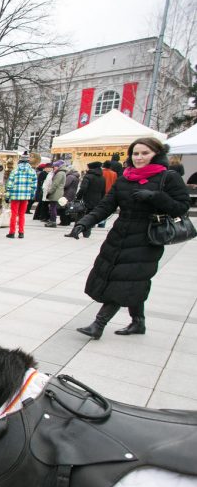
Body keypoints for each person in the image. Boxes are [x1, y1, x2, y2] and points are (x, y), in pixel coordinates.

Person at [68, 137, 190, 339]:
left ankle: (98, 324)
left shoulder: (168, 177)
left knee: (125, 280)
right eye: (136, 153)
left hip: (147, 236)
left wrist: (155, 196)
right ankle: (138, 322)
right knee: (131, 279)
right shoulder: (125, 178)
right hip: (120, 232)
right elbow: (106, 206)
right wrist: (83, 223)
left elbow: (182, 206)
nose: (139, 157)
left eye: (145, 153)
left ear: (156, 154)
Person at [4, 153, 36, 239]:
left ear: (20, 161)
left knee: (14, 214)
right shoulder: (32, 171)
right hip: (25, 196)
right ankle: (21, 232)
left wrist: (7, 196)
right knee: (22, 214)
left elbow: (9, 184)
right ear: (28, 161)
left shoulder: (15, 171)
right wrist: (31, 195)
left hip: (15, 195)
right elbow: (34, 186)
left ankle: (12, 232)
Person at [76, 161, 106, 229]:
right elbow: (103, 191)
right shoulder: (102, 178)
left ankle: (77, 230)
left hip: (87, 199)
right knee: (91, 215)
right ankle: (88, 231)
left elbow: (83, 188)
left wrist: (78, 197)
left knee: (81, 215)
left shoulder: (88, 176)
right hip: (97, 199)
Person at [43, 160, 66, 227]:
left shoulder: (60, 173)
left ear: (59, 166)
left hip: (56, 192)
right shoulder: (62, 172)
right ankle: (52, 221)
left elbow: (55, 184)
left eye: (55, 166)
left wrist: (49, 192)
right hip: (58, 192)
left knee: (52, 207)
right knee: (53, 207)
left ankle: (53, 222)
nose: (54, 167)